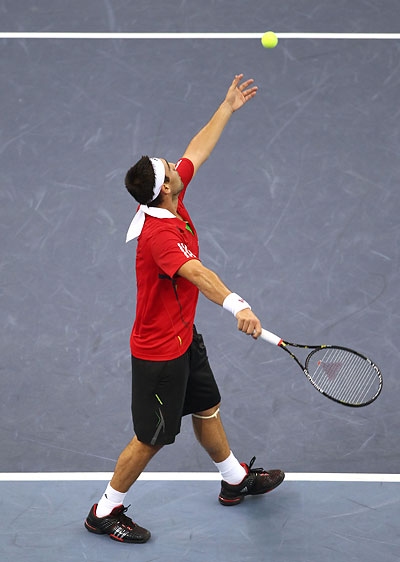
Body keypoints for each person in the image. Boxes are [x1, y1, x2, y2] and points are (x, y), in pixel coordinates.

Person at [84, 74, 284, 544]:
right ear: (166, 189)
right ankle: (103, 510)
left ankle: (234, 480)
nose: (176, 165)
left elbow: (197, 150)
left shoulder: (168, 198)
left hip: (183, 337)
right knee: (150, 439)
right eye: (169, 168)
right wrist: (238, 304)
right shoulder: (160, 236)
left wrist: (227, 106)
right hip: (158, 355)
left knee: (207, 407)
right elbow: (196, 273)